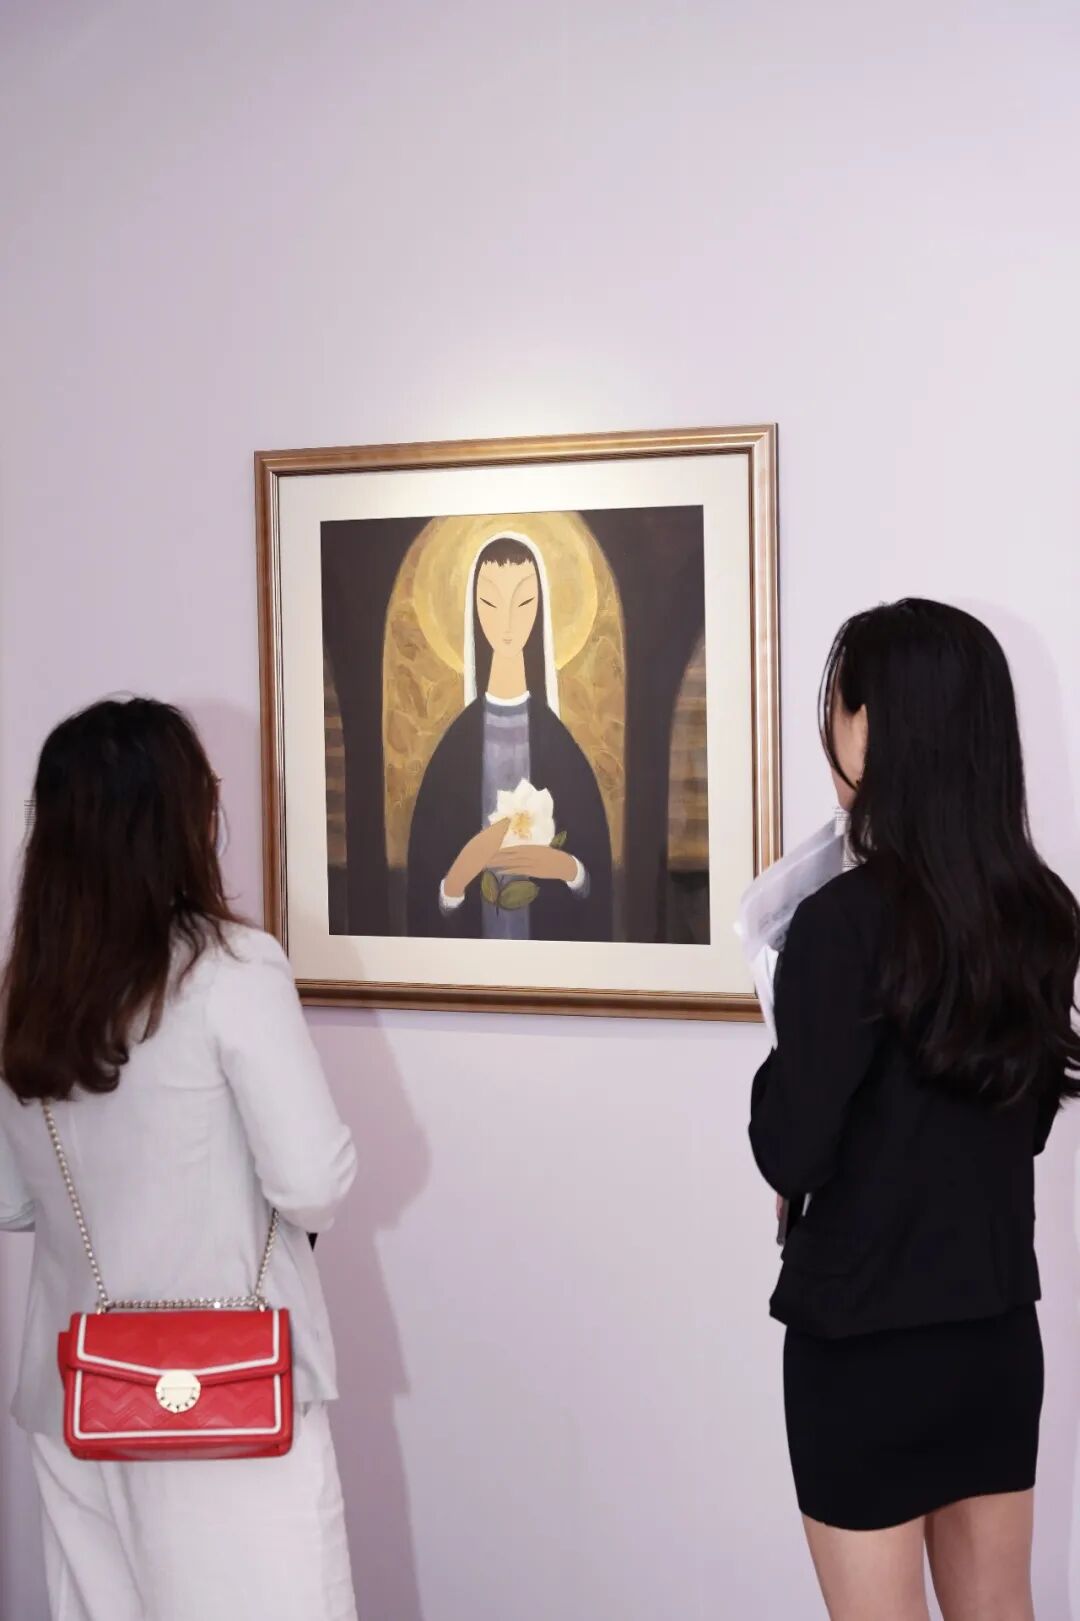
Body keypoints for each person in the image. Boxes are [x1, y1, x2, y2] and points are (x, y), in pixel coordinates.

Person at [749, 600, 1079, 1621]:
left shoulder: (837, 924)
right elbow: (1022, 1124)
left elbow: (791, 1147)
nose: (831, 726)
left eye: (842, 703)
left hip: (863, 1346)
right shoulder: (1039, 913)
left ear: (877, 724)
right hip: (993, 1339)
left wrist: (782, 1049)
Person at [0, 698, 359, 1621]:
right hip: (220, 1389)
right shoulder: (230, 968)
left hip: (76, 1395)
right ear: (179, 819)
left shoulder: (28, 987)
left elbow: (10, 1201)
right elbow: (313, 1182)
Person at [406, 531, 613, 940]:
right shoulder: (454, 751)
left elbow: (597, 884)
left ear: (540, 608)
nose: (506, 623)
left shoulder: (561, 747)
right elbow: (422, 895)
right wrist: (458, 877)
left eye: (522, 603)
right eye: (490, 603)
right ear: (473, 610)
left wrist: (567, 869)